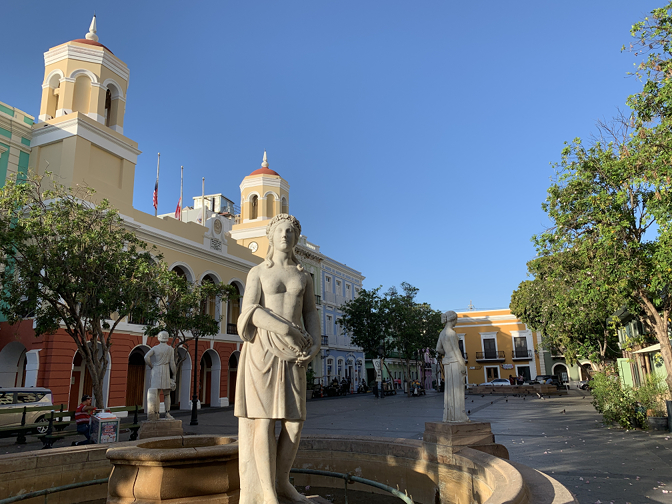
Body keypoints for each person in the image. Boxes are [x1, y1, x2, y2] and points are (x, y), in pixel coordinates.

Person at [235, 214, 320, 504]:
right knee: (264, 421)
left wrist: (317, 343)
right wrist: (284, 328)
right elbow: (248, 311)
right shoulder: (257, 272)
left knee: (294, 422)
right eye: (280, 230)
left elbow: (310, 313)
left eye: (291, 231)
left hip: (295, 354)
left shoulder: (303, 275)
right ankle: (267, 492)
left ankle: (282, 482)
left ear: (296, 239)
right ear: (270, 237)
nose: (285, 235)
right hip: (264, 349)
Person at [435, 310, 469, 422]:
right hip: (455, 363)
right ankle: (459, 416)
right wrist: (462, 364)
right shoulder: (452, 333)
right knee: (458, 390)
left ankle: (449, 416)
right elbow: (456, 350)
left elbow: (438, 349)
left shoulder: (442, 333)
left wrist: (447, 353)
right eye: (456, 319)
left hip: (447, 363)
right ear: (453, 319)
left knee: (450, 391)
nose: (457, 321)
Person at [144, 330, 177, 420]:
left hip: (156, 369)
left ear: (159, 338)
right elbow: (172, 363)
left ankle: (156, 413)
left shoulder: (155, 348)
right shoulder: (170, 349)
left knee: (156, 393)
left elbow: (146, 357)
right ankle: (167, 413)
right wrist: (174, 375)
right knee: (167, 394)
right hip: (165, 370)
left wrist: (151, 366)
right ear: (167, 338)